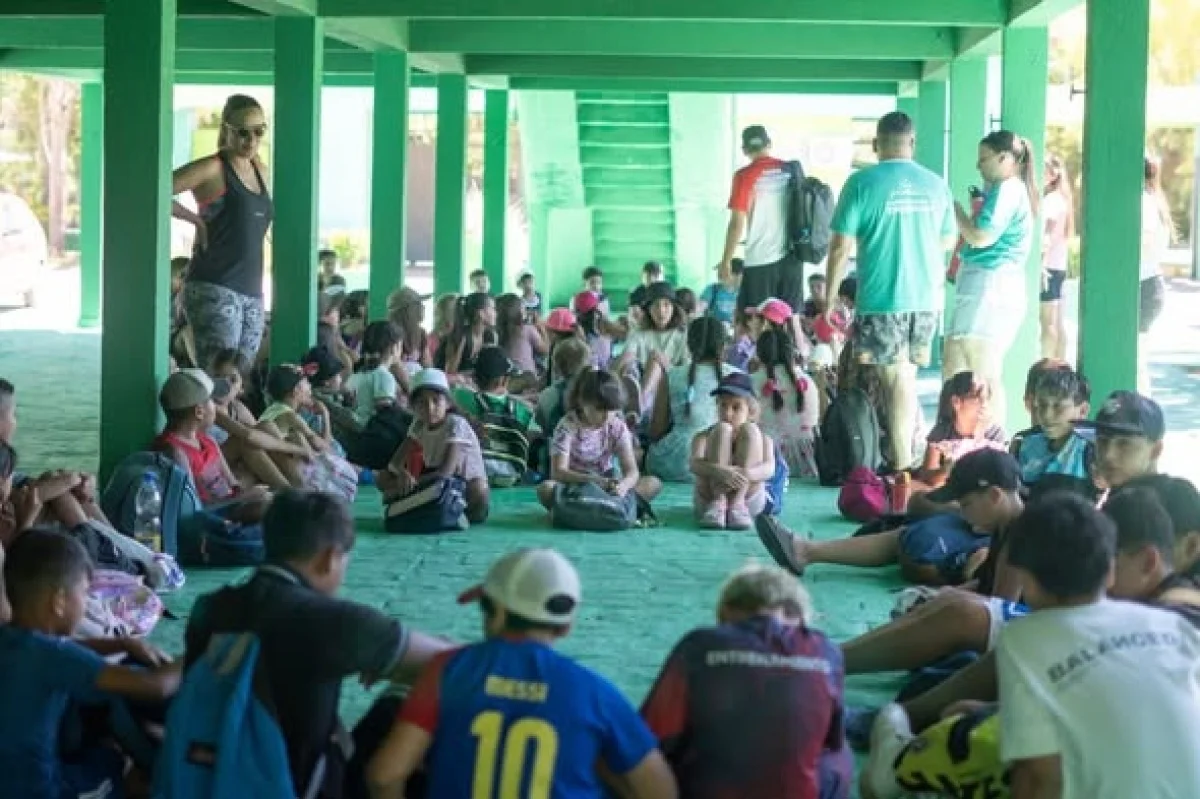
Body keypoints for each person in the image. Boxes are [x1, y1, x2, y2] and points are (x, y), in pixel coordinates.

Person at [184, 490, 453, 798]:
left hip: (211, 779)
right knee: (410, 699)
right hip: (292, 788)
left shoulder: (210, 606)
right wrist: (400, 670)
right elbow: (456, 659)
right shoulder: (333, 621)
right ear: (329, 558)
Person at [365, 547, 678, 799]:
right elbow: (660, 790)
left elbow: (384, 776)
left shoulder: (446, 669)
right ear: (566, 626)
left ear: (498, 613)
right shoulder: (594, 692)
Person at [996, 494, 1200, 799]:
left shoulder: (1022, 639)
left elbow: (1041, 778)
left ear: (1029, 582)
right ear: (1110, 571)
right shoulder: (1167, 623)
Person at [641, 563, 850, 799]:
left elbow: (650, 734)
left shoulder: (700, 644)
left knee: (638, 749)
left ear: (726, 610)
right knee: (839, 751)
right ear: (798, 615)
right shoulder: (825, 651)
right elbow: (832, 738)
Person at [0, 529, 181, 799]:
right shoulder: (54, 656)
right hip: (40, 790)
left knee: (102, 739)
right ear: (59, 601)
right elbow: (153, 686)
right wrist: (194, 658)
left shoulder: (11, 637)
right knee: (117, 763)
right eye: (85, 594)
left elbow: (66, 653)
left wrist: (123, 643)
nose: (86, 604)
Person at [825, 112, 957, 471]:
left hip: (884, 299)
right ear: (912, 143)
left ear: (875, 144)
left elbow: (839, 247)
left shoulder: (861, 183)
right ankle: (903, 456)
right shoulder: (936, 184)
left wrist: (829, 298)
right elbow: (947, 239)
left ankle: (901, 468)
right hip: (927, 301)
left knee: (895, 380)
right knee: (905, 379)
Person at [757, 449, 1024, 590]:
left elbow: (1000, 606)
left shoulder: (1021, 537)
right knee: (913, 526)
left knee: (953, 607)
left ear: (994, 496)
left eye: (967, 504)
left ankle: (834, 659)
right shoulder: (1003, 522)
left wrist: (961, 588)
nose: (964, 510)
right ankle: (805, 551)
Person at [171, 94, 273, 370]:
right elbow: (156, 189)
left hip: (252, 290)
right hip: (214, 285)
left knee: (240, 379)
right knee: (220, 377)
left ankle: (234, 415)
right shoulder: (213, 168)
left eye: (258, 131)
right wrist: (195, 220)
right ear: (226, 129)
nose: (250, 139)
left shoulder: (261, 170)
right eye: (242, 132)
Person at [946, 131, 1038, 427]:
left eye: (984, 158)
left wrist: (957, 212)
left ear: (1005, 159)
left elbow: (981, 236)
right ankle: (959, 438)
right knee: (957, 364)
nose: (978, 165)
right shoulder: (1004, 189)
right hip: (981, 283)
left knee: (984, 370)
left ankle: (995, 441)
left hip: (990, 287)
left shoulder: (1009, 189)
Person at [153, 369, 271, 523]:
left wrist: (248, 494)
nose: (216, 407)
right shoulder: (175, 452)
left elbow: (233, 485)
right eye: (212, 401)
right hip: (209, 524)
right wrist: (245, 498)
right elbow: (191, 510)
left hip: (227, 509)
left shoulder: (207, 440)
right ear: (199, 412)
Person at [536, 369, 662, 511]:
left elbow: (632, 472)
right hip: (576, 488)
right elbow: (558, 472)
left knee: (653, 483)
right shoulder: (567, 426)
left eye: (612, 410)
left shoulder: (617, 426)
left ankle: (604, 509)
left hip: (609, 488)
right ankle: (617, 510)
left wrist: (623, 486)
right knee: (546, 489)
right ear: (582, 402)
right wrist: (594, 481)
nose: (606, 416)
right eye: (600, 409)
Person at [381, 368, 491, 525]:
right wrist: (402, 475)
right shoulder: (418, 425)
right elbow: (394, 465)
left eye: (436, 400)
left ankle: (451, 511)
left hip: (461, 484)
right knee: (383, 478)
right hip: (435, 480)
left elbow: (446, 472)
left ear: (447, 403)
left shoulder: (456, 424)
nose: (430, 408)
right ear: (413, 407)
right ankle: (433, 508)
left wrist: (411, 483)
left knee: (479, 488)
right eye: (421, 403)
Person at [721, 126, 801, 316]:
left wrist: (726, 260)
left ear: (745, 150)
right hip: (793, 260)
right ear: (769, 144)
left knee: (754, 321)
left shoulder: (744, 176)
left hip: (760, 261)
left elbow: (736, 224)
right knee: (790, 321)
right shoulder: (791, 171)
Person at [645, 317, 737, 483]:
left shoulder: (672, 375)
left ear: (689, 346)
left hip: (674, 462)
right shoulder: (738, 376)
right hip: (722, 462)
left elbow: (656, 430)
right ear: (724, 346)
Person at [689, 372, 776, 530]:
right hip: (709, 500)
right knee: (722, 429)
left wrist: (744, 473)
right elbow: (694, 464)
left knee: (751, 431)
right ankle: (719, 501)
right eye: (723, 406)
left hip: (748, 501)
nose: (728, 413)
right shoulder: (703, 436)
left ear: (750, 411)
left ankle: (737, 503)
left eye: (736, 407)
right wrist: (719, 471)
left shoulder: (764, 440)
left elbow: (769, 469)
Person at [453, 347, 538, 489]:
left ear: (475, 378)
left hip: (476, 474)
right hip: (509, 476)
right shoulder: (521, 409)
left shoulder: (462, 397)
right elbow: (533, 434)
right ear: (504, 380)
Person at [914, 371, 1006, 490]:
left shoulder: (995, 434)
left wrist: (979, 435)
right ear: (956, 402)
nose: (984, 404)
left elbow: (997, 477)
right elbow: (927, 477)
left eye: (986, 399)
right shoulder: (942, 433)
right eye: (976, 399)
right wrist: (945, 471)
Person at [751, 328, 819, 480]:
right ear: (792, 352)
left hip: (765, 462)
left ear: (759, 354)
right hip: (807, 463)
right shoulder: (808, 382)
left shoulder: (753, 381)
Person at [618, 281, 690, 412]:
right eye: (656, 305)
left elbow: (687, 373)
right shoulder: (639, 333)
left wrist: (665, 364)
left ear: (674, 308)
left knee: (655, 362)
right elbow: (628, 354)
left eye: (666, 305)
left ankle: (639, 405)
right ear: (648, 310)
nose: (661, 311)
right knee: (628, 362)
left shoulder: (683, 335)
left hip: (670, 387)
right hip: (640, 381)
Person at [1139, 154, 1174, 396]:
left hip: (1144, 286)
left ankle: (1144, 421)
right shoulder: (1153, 199)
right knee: (1137, 359)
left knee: (1136, 361)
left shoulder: (1143, 201)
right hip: (1150, 285)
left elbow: (1145, 242)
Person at [1039, 154, 1074, 359]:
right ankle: (1060, 364)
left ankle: (1047, 363)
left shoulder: (1051, 201)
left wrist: (1041, 263)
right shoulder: (1062, 200)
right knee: (1057, 322)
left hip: (1048, 267)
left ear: (1053, 175)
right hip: (1057, 266)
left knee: (1048, 323)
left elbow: (1047, 236)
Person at [345, 321, 402, 426]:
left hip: (355, 431)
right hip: (372, 433)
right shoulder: (384, 376)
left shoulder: (356, 374)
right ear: (395, 348)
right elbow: (385, 415)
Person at [436, 292, 498, 381]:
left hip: (471, 384)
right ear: (481, 313)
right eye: (493, 308)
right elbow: (449, 375)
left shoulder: (490, 336)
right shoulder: (460, 337)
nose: (496, 313)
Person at [495, 292, 548, 379]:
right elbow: (545, 350)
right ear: (518, 311)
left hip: (504, 378)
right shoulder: (526, 329)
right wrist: (542, 327)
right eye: (524, 308)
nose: (526, 310)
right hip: (526, 378)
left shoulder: (495, 330)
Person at [697, 258, 743, 324]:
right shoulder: (712, 289)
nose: (719, 275)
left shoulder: (743, 293)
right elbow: (701, 305)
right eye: (719, 273)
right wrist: (696, 311)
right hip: (715, 330)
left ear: (736, 275)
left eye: (722, 272)